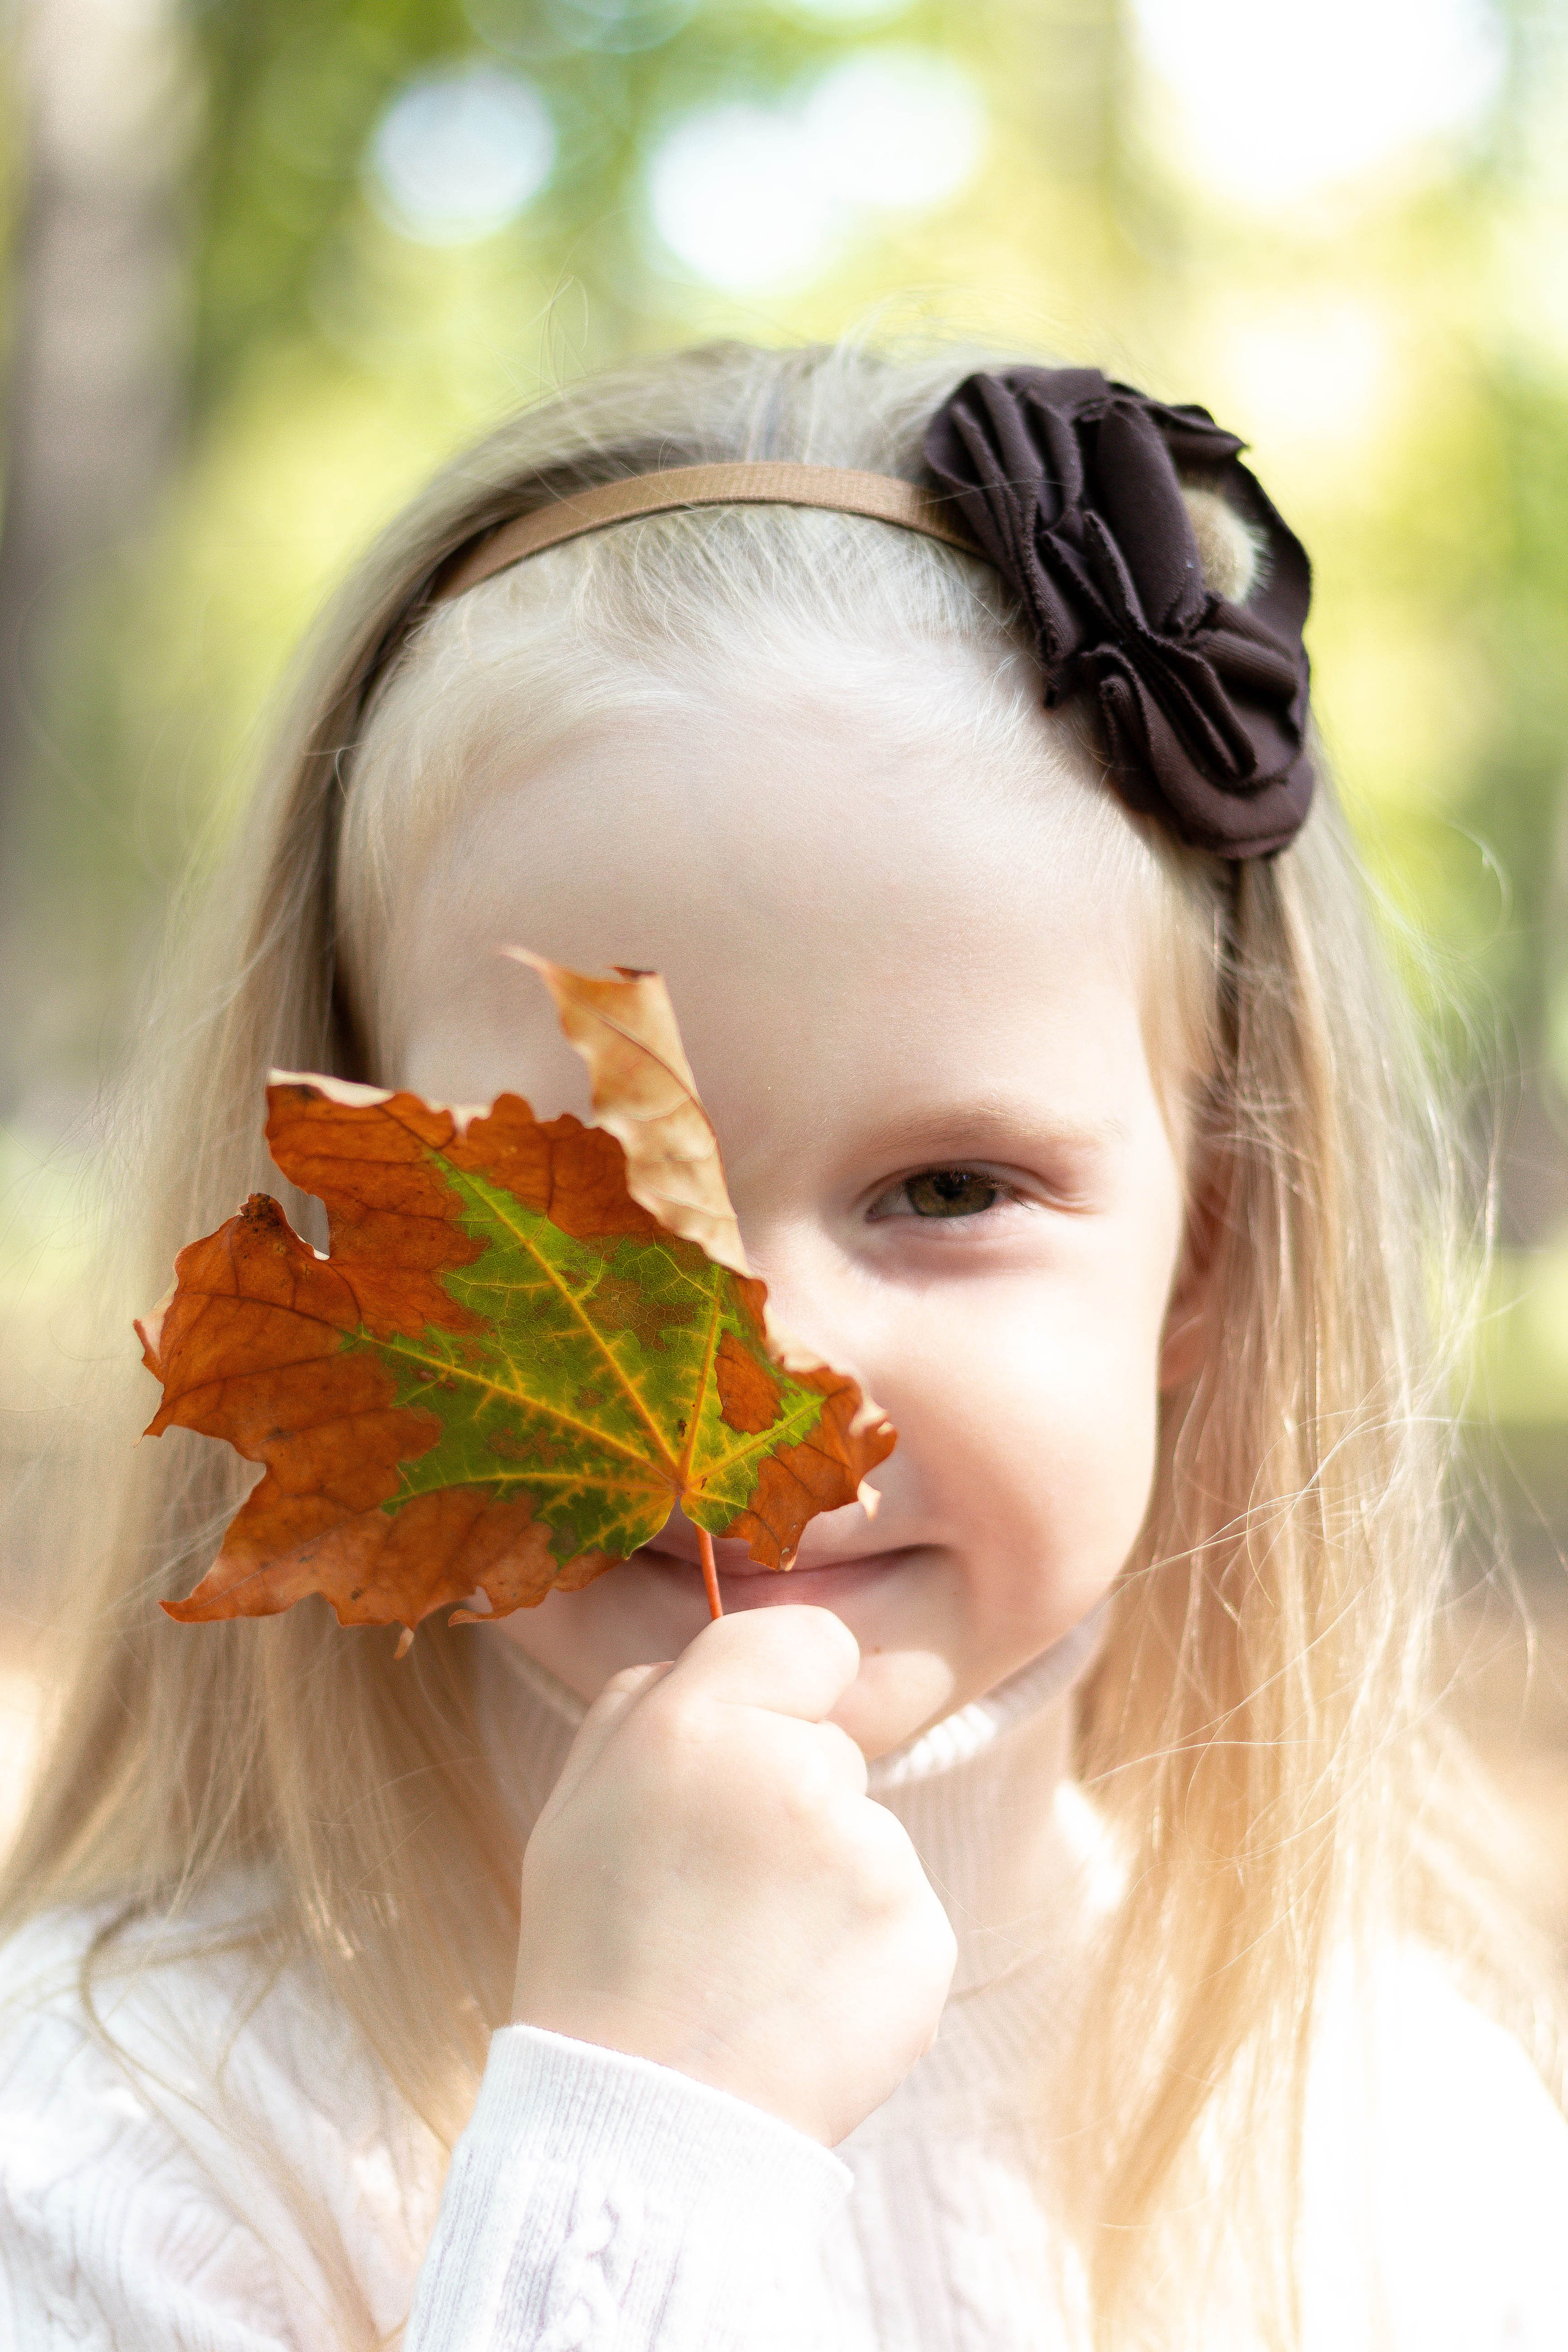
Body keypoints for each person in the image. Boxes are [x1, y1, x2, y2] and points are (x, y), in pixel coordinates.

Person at [0, 338, 1563, 2351]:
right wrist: (643, 2161)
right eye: (608, 1211)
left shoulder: (1389, 2144)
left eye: (947, 1191)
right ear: (348, 1252)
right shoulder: (124, 2158)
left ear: (1214, 1250)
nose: (778, 1375)